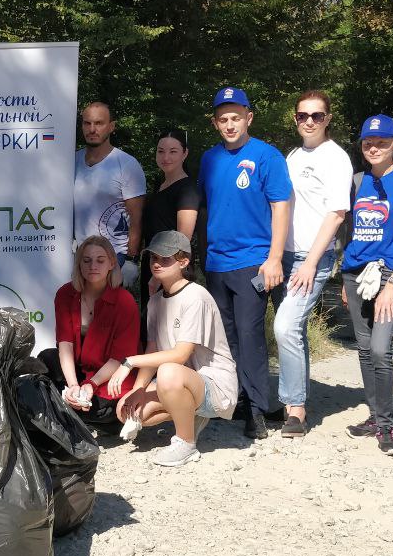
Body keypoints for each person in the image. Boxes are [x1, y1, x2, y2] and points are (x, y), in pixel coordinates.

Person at [197, 86, 292, 439]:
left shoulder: (267, 157)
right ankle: (235, 397)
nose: (230, 124)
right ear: (215, 123)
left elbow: (281, 207)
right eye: (223, 119)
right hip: (216, 263)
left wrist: (275, 258)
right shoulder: (210, 159)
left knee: (251, 335)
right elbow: (207, 208)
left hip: (254, 260)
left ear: (249, 118)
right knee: (225, 336)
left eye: (236, 117)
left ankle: (257, 409)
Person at [109, 231, 238, 467]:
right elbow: (152, 351)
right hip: (183, 380)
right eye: (153, 258)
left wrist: (129, 362)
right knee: (125, 409)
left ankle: (186, 443)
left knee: (168, 370)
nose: (156, 263)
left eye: (165, 258)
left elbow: (180, 355)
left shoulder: (196, 296)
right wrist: (138, 390)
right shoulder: (156, 301)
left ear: (184, 262)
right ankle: (191, 415)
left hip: (215, 385)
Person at [340, 115, 393, 457]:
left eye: (382, 143)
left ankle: (388, 426)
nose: (374, 148)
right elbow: (347, 231)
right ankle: (374, 417)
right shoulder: (356, 182)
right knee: (362, 349)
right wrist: (343, 277)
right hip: (355, 274)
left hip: (390, 276)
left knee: (379, 349)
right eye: (368, 143)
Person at [273, 90, 353, 437]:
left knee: (285, 327)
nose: (309, 121)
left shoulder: (335, 158)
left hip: (311, 257)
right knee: (295, 331)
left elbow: (336, 214)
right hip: (286, 254)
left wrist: (312, 262)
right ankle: (294, 402)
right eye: (302, 116)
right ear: (295, 119)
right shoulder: (292, 155)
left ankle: (296, 410)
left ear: (328, 119)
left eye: (316, 116)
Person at [37, 235, 140, 429]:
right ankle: (69, 404)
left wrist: (91, 385)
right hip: (80, 369)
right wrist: (74, 385)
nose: (93, 266)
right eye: (87, 260)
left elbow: (119, 358)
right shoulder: (65, 294)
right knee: (45, 359)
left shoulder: (125, 302)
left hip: (110, 374)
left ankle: (67, 409)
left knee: (102, 411)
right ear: (79, 264)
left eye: (100, 260)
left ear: (111, 263)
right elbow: (65, 344)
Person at [73, 101, 147, 288]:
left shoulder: (127, 165)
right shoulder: (71, 161)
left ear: (111, 127)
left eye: (99, 123)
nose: (92, 129)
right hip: (80, 256)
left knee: (109, 315)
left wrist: (131, 260)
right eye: (87, 123)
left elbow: (136, 218)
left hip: (115, 256)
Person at [141, 128, 200, 247]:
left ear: (185, 153)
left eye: (173, 152)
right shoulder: (159, 185)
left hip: (169, 262)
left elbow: (183, 241)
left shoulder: (188, 190)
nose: (166, 157)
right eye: (161, 151)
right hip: (152, 259)